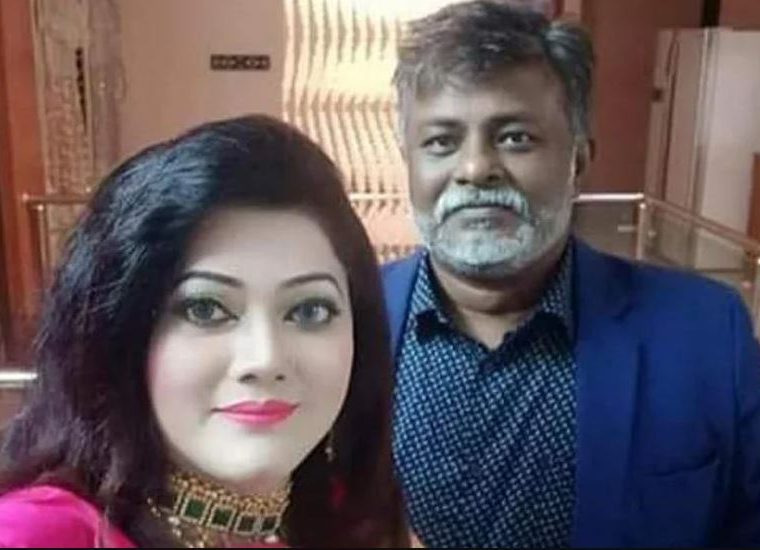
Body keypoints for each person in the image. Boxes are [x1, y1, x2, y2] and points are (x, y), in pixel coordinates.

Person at [382, 1, 760, 547]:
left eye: (514, 137)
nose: (475, 168)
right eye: (441, 141)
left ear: (578, 162)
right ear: (409, 161)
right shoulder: (340, 326)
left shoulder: (706, 335)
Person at [0, 115, 408, 548]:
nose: (264, 359)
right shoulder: (40, 535)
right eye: (205, 309)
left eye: (309, 311)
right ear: (122, 332)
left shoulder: (345, 517)